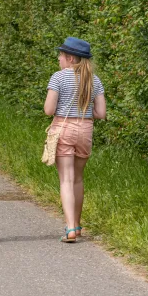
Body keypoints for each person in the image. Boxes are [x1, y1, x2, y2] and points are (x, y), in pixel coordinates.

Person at [43, 37, 106, 243]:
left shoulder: (58, 78)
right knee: (78, 178)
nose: (59, 59)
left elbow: (48, 110)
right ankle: (77, 225)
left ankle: (69, 228)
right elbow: (101, 112)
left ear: (70, 58)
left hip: (63, 128)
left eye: (61, 56)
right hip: (85, 128)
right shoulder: (94, 80)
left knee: (66, 179)